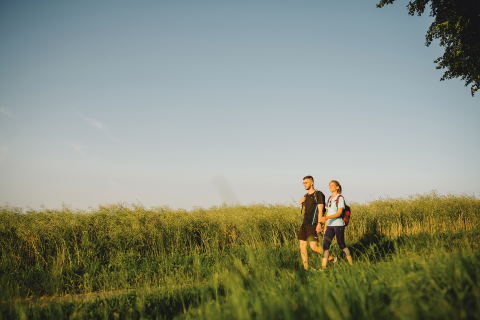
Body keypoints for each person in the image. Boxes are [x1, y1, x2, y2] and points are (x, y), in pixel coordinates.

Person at [298, 176, 335, 270]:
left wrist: (319, 223)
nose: (304, 184)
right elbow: (306, 210)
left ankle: (332, 258)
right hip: (304, 223)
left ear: (312, 183)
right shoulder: (306, 196)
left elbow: (320, 209)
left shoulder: (318, 194)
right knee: (302, 246)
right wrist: (301, 204)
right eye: (303, 183)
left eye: (306, 182)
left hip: (313, 223)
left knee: (314, 247)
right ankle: (306, 268)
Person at [319, 180, 353, 269]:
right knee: (325, 245)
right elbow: (328, 213)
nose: (330, 187)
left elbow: (339, 213)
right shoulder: (329, 198)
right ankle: (323, 267)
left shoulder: (340, 198)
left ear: (337, 187)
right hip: (330, 225)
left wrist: (327, 218)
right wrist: (325, 226)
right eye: (329, 185)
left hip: (338, 225)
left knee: (341, 244)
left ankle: (351, 265)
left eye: (332, 185)